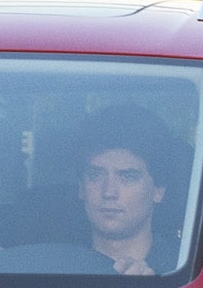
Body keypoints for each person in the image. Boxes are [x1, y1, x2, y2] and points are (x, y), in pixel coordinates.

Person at [76, 107, 180, 274]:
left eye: (128, 177)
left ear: (158, 190)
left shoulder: (185, 271)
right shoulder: (48, 266)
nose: (109, 192)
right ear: (81, 187)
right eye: (95, 175)